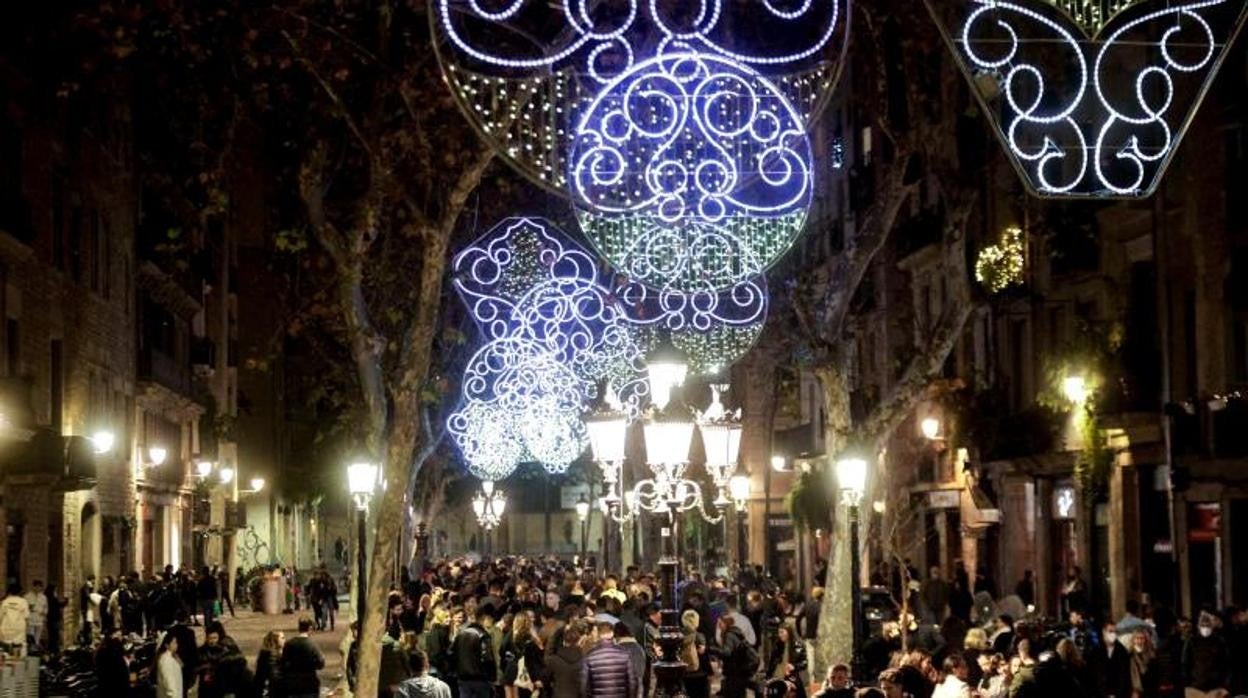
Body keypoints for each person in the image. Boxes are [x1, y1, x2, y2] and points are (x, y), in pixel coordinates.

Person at [580, 616, 638, 697]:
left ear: (599, 634)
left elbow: (583, 685)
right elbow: (632, 682)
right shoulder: (625, 653)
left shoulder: (590, 656)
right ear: (612, 633)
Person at [452, 606, 498, 698]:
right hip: (480, 679)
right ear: (482, 618)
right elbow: (487, 658)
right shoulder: (483, 635)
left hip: (463, 679)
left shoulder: (460, 634)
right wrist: (493, 676)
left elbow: (452, 653)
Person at [1182, 611, 1230, 697]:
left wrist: (1224, 685)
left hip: (1215, 688)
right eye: (1203, 625)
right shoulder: (1192, 641)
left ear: (1212, 626)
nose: (1205, 628)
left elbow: (1225, 664)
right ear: (1198, 626)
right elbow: (1185, 663)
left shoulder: (1219, 642)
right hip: (1195, 687)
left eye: (1207, 625)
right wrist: (1187, 684)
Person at [711, 613, 758, 698]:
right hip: (739, 671)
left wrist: (711, 649)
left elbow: (726, 652)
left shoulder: (729, 635)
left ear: (726, 624)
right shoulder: (736, 633)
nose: (718, 626)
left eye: (720, 623)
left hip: (734, 673)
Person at [280, 617, 326, 698]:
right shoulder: (312, 645)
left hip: (292, 683)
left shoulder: (289, 644)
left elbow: (283, 663)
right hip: (309, 684)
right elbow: (321, 663)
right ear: (310, 628)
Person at [766, 621, 808, 698]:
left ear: (789, 632)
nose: (780, 635)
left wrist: (794, 666)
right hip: (777, 676)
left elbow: (804, 663)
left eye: (782, 632)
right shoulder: (777, 645)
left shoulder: (798, 645)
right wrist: (768, 677)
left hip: (791, 678)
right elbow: (771, 663)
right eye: (779, 633)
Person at [1092, 621, 1132, 698]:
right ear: (1104, 632)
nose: (1113, 634)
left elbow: (1125, 676)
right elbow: (1094, 674)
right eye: (1110, 631)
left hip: (1119, 694)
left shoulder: (1122, 651)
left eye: (1115, 631)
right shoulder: (1096, 651)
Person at [547, 620, 585, 698]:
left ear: (564, 642)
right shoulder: (585, 660)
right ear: (578, 642)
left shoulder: (554, 660)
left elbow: (546, 679)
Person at [681, 609, 710, 698]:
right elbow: (703, 656)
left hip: (684, 673)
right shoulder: (699, 636)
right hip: (700, 674)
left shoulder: (679, 635)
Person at [96, 627, 132, 696]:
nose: (121, 637)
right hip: (115, 684)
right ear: (111, 636)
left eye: (121, 635)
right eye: (118, 635)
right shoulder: (113, 649)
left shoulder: (102, 650)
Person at [0, 584, 30, 654]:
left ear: (10, 592)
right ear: (20, 592)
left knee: (6, 647)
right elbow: (26, 616)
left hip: (6, 627)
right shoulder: (23, 601)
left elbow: (0, 615)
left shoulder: (5, 601)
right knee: (20, 646)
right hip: (19, 628)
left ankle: (7, 661)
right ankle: (20, 662)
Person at [253, 630, 284, 697]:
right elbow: (274, 674)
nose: (284, 640)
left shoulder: (265, 653)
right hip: (273, 688)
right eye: (282, 638)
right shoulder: (274, 655)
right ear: (276, 640)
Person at [156, 632, 184, 698]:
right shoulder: (166, 660)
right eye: (173, 643)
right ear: (166, 645)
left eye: (176, 642)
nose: (176, 645)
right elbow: (169, 681)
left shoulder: (172, 657)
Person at [23, 580, 46, 650]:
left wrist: (44, 612)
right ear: (33, 587)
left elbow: (46, 607)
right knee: (31, 636)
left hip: (39, 619)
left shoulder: (43, 597)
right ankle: (31, 650)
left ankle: (36, 650)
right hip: (30, 619)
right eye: (36, 587)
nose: (38, 588)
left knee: (37, 637)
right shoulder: (27, 596)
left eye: (39, 587)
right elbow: (24, 607)